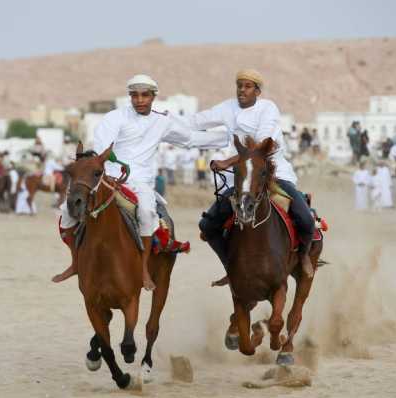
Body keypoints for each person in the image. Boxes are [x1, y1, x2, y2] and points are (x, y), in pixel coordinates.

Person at [53, 74, 229, 289]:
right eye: (134, 95)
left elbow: (190, 139)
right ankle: (75, 263)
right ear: (130, 96)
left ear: (153, 96)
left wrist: (229, 137)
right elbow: (101, 149)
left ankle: (144, 269)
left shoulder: (162, 121)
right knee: (66, 212)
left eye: (145, 95)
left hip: (141, 184)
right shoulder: (115, 117)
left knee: (146, 214)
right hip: (108, 179)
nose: (139, 99)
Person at [190, 69, 316, 283]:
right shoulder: (227, 108)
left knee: (305, 219)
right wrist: (164, 120)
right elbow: (196, 121)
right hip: (246, 179)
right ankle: (230, 266)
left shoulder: (267, 108)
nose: (242, 90)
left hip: (275, 175)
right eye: (239, 85)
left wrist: (226, 162)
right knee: (207, 226)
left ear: (257, 91)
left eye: (248, 86)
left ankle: (303, 257)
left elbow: (260, 146)